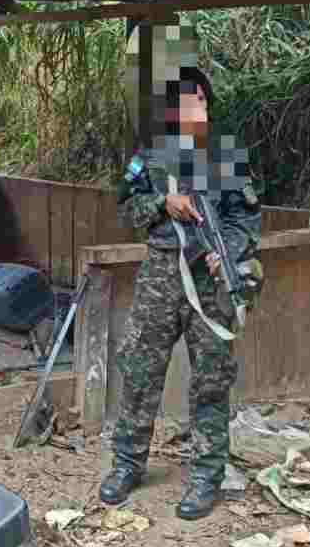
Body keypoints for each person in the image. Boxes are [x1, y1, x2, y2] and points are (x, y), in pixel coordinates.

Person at [100, 65, 263, 520]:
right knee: (140, 368)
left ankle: (206, 475)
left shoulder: (228, 156)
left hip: (209, 279)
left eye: (200, 101)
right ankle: (128, 464)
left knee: (211, 377)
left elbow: (247, 222)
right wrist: (162, 202)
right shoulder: (150, 157)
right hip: (160, 274)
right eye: (183, 103)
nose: (193, 110)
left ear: (207, 105)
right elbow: (127, 206)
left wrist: (224, 252)